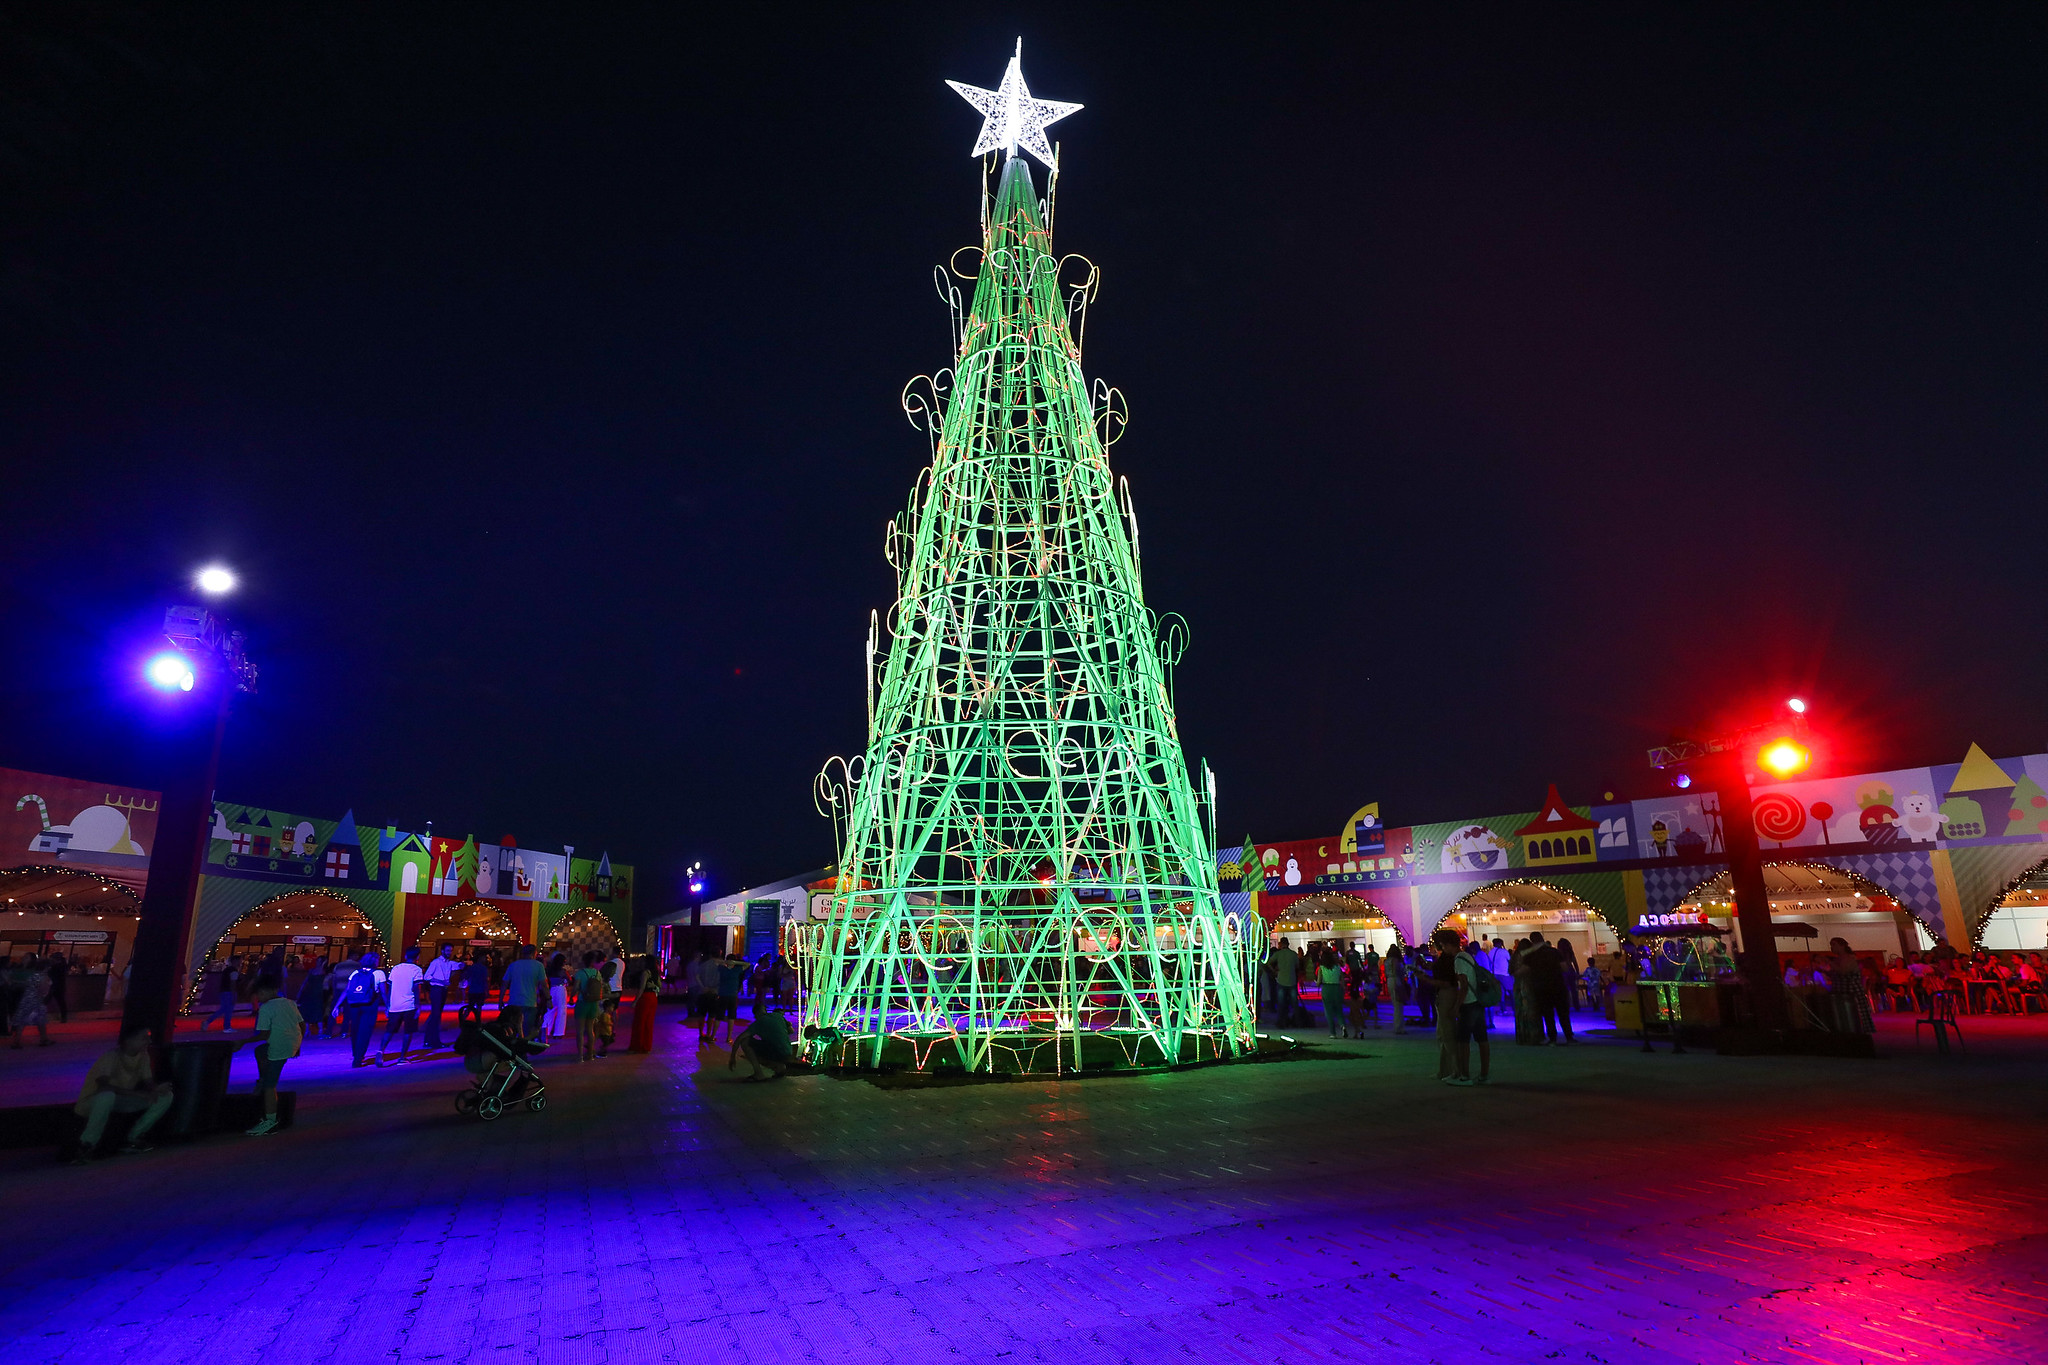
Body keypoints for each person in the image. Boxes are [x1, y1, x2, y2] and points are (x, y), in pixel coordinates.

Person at [72, 1026, 174, 1162]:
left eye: (149, 1038)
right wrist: (137, 1094)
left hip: (120, 1100)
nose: (148, 1041)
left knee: (166, 1097)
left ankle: (133, 1138)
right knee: (106, 1096)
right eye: (144, 1038)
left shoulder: (143, 1056)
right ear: (128, 1041)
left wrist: (157, 1089)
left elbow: (148, 1082)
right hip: (92, 1102)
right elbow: (104, 1086)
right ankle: (86, 1145)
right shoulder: (111, 1057)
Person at [246, 973, 302, 1136]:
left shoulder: (266, 1008)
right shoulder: (290, 1003)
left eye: (260, 994)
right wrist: (298, 1045)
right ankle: (264, 1078)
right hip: (291, 1043)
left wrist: (242, 1042)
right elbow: (302, 1024)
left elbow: (263, 1034)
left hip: (279, 1048)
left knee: (270, 1086)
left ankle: (270, 1122)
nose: (259, 998)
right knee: (260, 1051)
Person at [1448, 936, 1494, 1085]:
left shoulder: (1458, 960)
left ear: (1449, 945)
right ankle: (1484, 1074)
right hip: (1478, 1001)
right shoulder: (1467, 956)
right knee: (1482, 1039)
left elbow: (1464, 984)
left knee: (1463, 1041)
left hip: (1468, 1003)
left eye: (1442, 945)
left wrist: (1456, 1006)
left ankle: (1465, 1075)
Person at [377, 946, 426, 1064]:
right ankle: (402, 1057)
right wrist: (418, 1005)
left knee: (389, 1031)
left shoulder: (396, 968)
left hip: (395, 1004)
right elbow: (416, 988)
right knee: (408, 1032)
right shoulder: (417, 970)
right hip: (409, 1005)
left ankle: (380, 1051)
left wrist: (388, 1005)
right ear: (417, 957)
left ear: (405, 956)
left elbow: (391, 986)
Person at [338, 951, 386, 1068]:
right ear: (375, 961)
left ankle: (356, 1054)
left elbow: (347, 990)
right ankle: (358, 1058)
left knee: (355, 1029)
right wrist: (388, 1006)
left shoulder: (355, 973)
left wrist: (337, 1006)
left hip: (354, 1004)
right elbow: (383, 992)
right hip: (370, 1004)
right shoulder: (379, 973)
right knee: (365, 1031)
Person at [1524, 933, 1573, 1044]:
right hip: (1558, 985)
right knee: (1563, 1013)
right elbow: (1565, 968)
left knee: (1548, 1015)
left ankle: (1552, 1039)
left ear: (1532, 941)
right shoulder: (1555, 952)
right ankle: (1569, 1037)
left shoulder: (1532, 955)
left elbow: (1525, 969)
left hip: (1541, 987)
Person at [729, 1002, 792, 1081]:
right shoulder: (777, 1016)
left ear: (756, 1014)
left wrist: (732, 1057)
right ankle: (780, 1067)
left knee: (745, 1042)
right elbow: (791, 1031)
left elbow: (739, 1039)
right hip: (788, 1052)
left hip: (777, 1052)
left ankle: (759, 1073)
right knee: (766, 1046)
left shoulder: (758, 1022)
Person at [1429, 930, 1461, 1079]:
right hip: (1445, 995)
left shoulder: (1450, 959)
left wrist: (1425, 979)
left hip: (1446, 996)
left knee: (1447, 1034)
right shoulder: (1452, 958)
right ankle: (1445, 1070)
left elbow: (1447, 982)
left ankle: (1456, 1070)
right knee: (1443, 1034)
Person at [1828, 938, 1874, 1033]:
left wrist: (1829, 962)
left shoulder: (1849, 957)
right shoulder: (1839, 959)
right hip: (1842, 989)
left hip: (1851, 989)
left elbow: (1843, 971)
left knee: (1855, 1012)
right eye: (1831, 945)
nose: (1832, 947)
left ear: (1842, 946)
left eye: (1834, 944)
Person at [501, 944, 547, 1039]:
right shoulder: (538, 966)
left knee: (513, 1028)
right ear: (534, 953)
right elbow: (544, 984)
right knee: (527, 1029)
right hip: (530, 1002)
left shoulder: (513, 965)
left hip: (514, 1001)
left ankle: (514, 1048)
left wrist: (500, 999)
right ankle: (524, 1048)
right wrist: (548, 998)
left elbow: (505, 983)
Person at [422, 942, 460, 1049]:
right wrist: (442, 981)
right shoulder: (436, 962)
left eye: (451, 950)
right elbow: (427, 976)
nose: (450, 952)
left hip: (442, 989)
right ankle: (433, 1041)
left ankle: (429, 1040)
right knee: (436, 1015)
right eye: (448, 950)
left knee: (436, 1014)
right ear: (442, 951)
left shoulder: (449, 963)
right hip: (436, 989)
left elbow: (459, 966)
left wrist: (466, 963)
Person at [570, 951, 606, 1062]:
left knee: (580, 1031)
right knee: (590, 1030)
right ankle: (590, 1054)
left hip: (582, 1002)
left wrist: (572, 997)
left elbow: (576, 987)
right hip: (593, 1003)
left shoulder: (580, 973)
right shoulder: (597, 973)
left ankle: (580, 1056)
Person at [10, 953, 52, 1048]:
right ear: (46, 967)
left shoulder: (32, 975)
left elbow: (24, 984)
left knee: (22, 1019)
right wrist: (43, 996)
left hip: (26, 998)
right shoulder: (43, 976)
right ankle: (43, 1039)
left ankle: (16, 1041)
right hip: (36, 999)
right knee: (40, 1019)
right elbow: (42, 989)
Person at [628, 954, 659, 1053]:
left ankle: (637, 1046)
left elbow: (641, 988)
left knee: (639, 1022)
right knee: (648, 1023)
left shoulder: (645, 973)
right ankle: (646, 1046)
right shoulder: (655, 973)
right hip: (653, 997)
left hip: (645, 998)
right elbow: (659, 985)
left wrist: (635, 1001)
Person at [296, 955, 330, 1039]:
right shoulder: (312, 971)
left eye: (319, 961)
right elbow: (305, 983)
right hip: (309, 993)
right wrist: (300, 992)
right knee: (307, 1010)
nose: (317, 962)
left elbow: (326, 985)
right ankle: (307, 1030)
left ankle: (320, 1030)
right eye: (317, 961)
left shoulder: (324, 972)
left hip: (318, 994)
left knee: (317, 1011)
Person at [1268, 937, 1300, 1027]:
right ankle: (1297, 1021)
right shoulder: (1293, 954)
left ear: (1281, 944)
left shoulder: (1278, 954)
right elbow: (1297, 966)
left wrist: (1274, 971)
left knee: (1281, 1003)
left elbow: (1268, 963)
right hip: (1292, 980)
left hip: (1281, 980)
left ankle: (1281, 1022)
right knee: (1294, 1003)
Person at [205, 955, 241, 1032]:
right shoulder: (234, 971)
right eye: (239, 960)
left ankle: (208, 1022)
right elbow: (233, 983)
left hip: (223, 991)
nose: (240, 962)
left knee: (224, 1009)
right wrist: (233, 993)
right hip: (229, 992)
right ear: (235, 961)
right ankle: (226, 1027)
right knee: (228, 1010)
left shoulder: (226, 970)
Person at [456, 948, 490, 1028]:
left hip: (472, 989)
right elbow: (485, 980)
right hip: (480, 990)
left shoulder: (472, 967)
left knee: (470, 1007)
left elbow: (465, 976)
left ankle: (463, 1019)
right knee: (479, 1007)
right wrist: (487, 990)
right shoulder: (483, 968)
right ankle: (478, 1022)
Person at [1315, 951, 1345, 1037]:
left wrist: (1316, 982)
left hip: (1327, 988)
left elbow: (1318, 982)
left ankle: (1333, 1033)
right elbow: (1342, 980)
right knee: (1339, 1010)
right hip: (1337, 988)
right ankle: (1343, 1025)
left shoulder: (1321, 968)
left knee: (1329, 1012)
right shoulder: (1337, 967)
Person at [544, 953, 570, 1039]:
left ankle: (546, 1030)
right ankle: (558, 1033)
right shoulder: (563, 971)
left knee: (550, 1010)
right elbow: (569, 980)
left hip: (551, 989)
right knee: (561, 1010)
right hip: (561, 989)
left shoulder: (549, 969)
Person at [1385, 943, 1409, 1034]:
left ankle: (1398, 1026)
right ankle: (1399, 1027)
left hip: (1389, 980)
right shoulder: (1396, 960)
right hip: (1396, 980)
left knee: (1396, 1004)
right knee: (1398, 1005)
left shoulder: (1387, 961)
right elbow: (1396, 971)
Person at [46, 952, 70, 1025]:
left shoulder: (55, 967)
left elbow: (50, 973)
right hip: (59, 986)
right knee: (61, 1002)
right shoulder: (63, 966)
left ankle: (39, 1016)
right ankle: (64, 1017)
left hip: (54, 985)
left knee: (46, 1001)